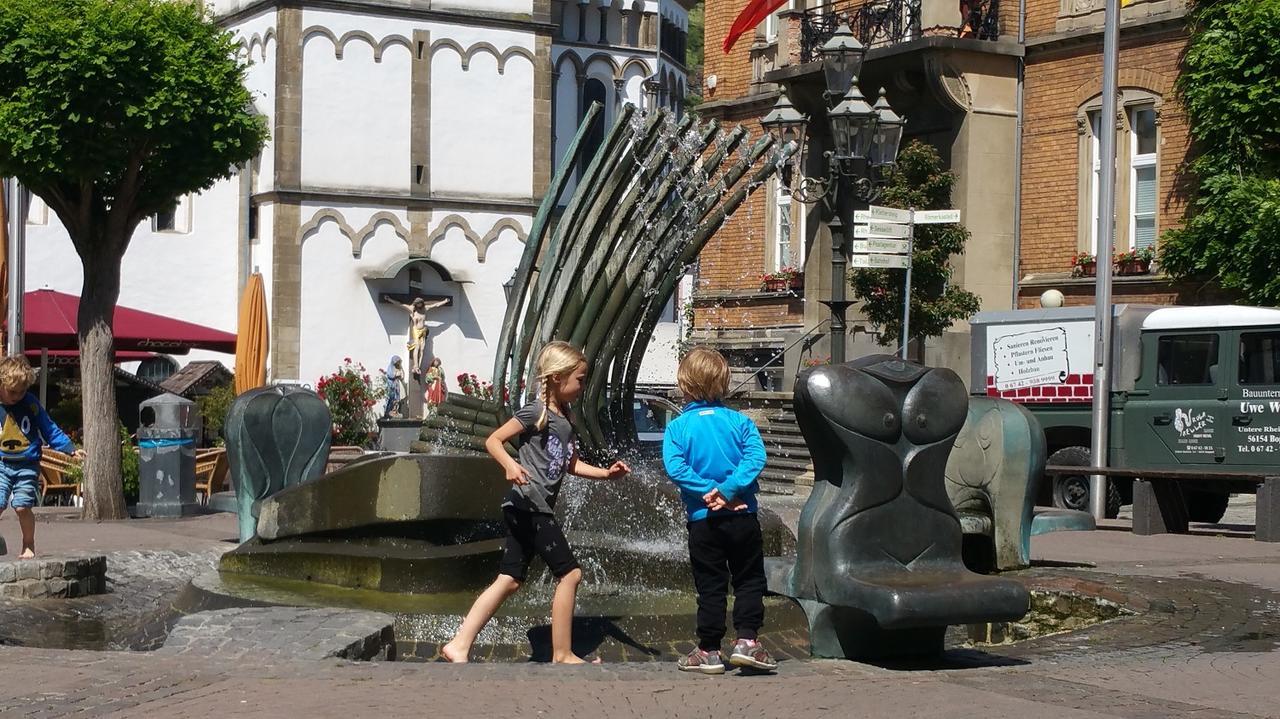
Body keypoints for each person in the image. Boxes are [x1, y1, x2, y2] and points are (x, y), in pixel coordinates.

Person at [441, 341, 630, 664]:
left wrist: (605, 474)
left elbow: (570, 465)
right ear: (558, 378)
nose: (584, 386)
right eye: (580, 379)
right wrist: (511, 466)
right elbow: (494, 440)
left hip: (526, 506)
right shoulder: (536, 411)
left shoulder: (565, 418)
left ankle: (459, 644)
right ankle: (562, 653)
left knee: (510, 579)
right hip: (530, 504)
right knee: (570, 574)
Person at [662, 346, 776, 674]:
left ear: (685, 385)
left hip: (703, 521)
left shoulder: (677, 428)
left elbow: (675, 467)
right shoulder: (739, 422)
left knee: (710, 585)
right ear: (723, 383)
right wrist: (727, 491)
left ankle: (709, 651)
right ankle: (747, 642)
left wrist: (708, 493)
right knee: (749, 579)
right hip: (742, 517)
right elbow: (755, 459)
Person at [0, 355, 83, 558]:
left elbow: (48, 427)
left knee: (21, 506)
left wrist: (69, 448)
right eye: (12, 392)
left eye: (22, 391)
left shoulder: (30, 404)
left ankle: (28, 543)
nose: (17, 396)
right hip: (2, 463)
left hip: (27, 465)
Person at [382, 295, 448, 380]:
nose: (419, 305)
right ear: (415, 304)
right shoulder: (411, 309)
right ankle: (415, 365)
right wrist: (389, 299)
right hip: (416, 330)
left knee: (422, 349)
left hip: (423, 330)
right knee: (417, 347)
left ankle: (418, 367)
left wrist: (445, 301)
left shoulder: (425, 309)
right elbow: (400, 305)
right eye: (418, 303)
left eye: (420, 303)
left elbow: (435, 305)